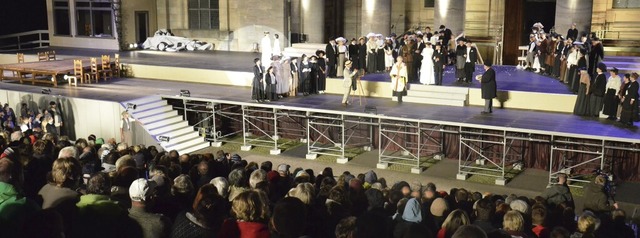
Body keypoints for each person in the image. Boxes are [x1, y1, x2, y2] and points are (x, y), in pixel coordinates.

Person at [573, 49, 589, 116]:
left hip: (581, 73)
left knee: (578, 81)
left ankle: (576, 89)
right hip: (579, 72)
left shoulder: (583, 59)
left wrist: (580, 71)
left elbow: (583, 67)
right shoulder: (581, 58)